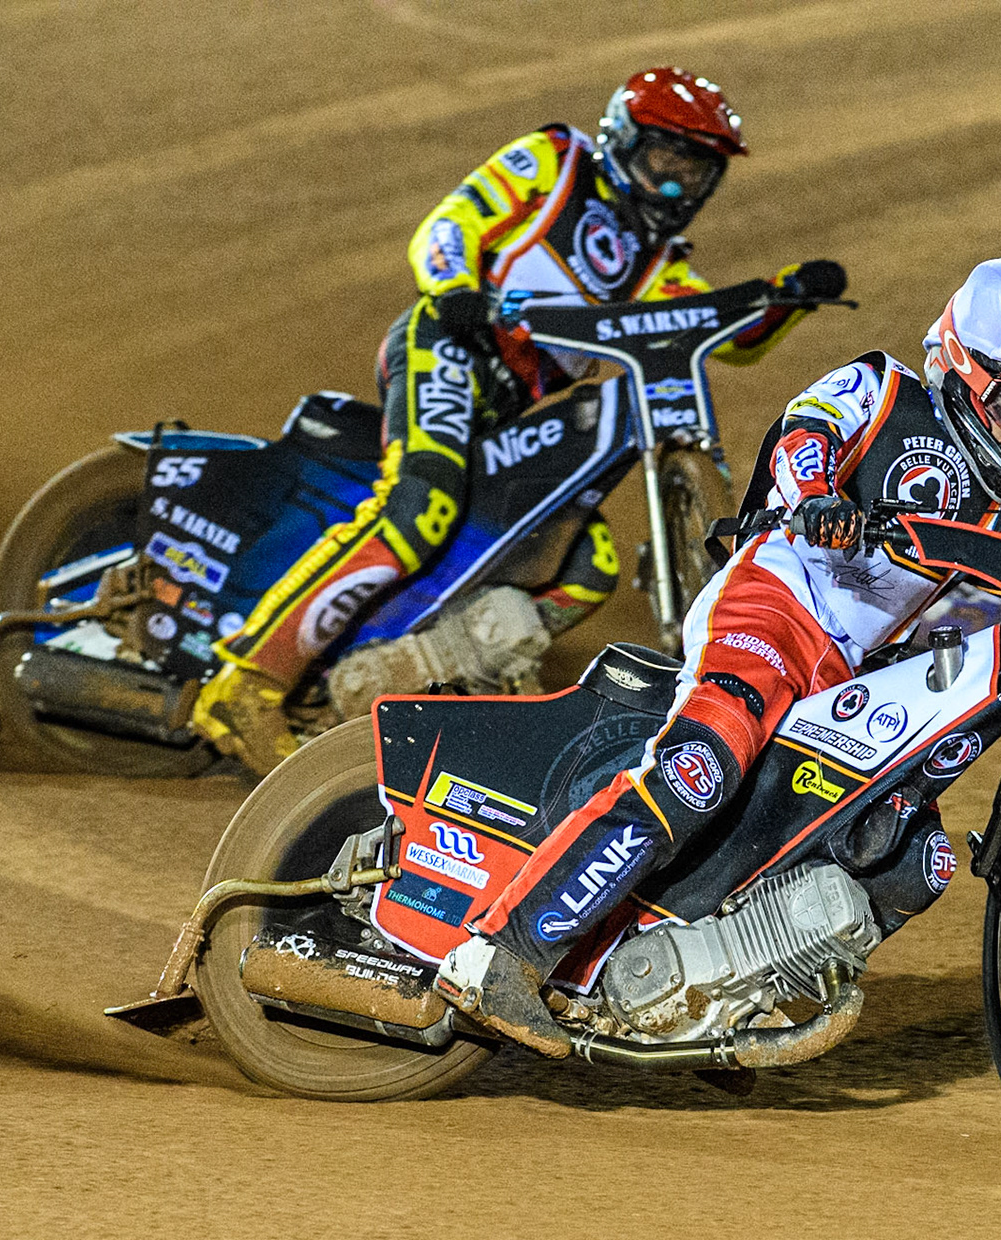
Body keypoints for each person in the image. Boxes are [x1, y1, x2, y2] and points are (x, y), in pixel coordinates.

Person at [434, 258, 1001, 1057]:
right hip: (771, 601)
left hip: (847, 667)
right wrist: (819, 494)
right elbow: (806, 431)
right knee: (702, 766)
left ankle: (717, 994)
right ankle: (501, 954)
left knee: (914, 861)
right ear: (963, 366)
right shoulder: (884, 388)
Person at [192, 67, 842, 773]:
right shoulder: (556, 162)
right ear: (625, 139)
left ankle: (399, 678)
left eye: (698, 172)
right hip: (448, 347)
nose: (679, 186)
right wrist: (456, 289)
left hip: (505, 410)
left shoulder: (658, 264)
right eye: (668, 160)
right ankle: (246, 682)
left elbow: (719, 333)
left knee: (585, 565)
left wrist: (784, 298)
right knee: (420, 510)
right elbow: (452, 224)